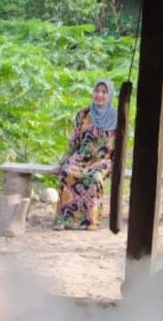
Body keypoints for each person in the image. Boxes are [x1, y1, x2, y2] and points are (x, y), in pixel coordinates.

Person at [51, 79, 117, 230]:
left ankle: (88, 221)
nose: (99, 95)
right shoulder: (83, 114)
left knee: (93, 177)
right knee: (66, 173)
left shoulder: (116, 116)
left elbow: (120, 146)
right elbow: (73, 142)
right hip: (81, 158)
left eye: (104, 92)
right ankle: (65, 220)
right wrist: (62, 163)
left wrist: (116, 167)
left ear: (110, 95)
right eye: (97, 91)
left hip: (102, 161)